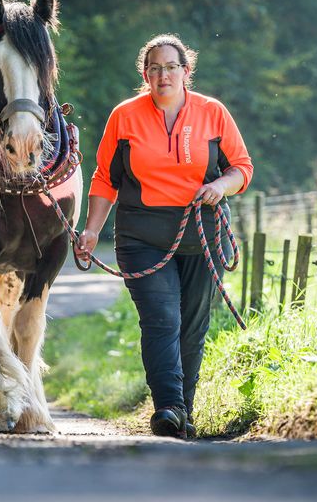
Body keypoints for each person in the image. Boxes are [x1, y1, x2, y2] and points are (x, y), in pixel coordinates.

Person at [76, 33, 253, 439]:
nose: (163, 75)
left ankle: (184, 412)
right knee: (161, 319)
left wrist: (221, 187)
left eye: (171, 67)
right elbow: (106, 178)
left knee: (192, 326)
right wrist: (90, 231)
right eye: (154, 68)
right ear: (145, 74)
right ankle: (168, 407)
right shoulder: (125, 116)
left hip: (203, 235)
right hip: (142, 237)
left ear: (186, 71)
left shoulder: (213, 112)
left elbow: (242, 167)